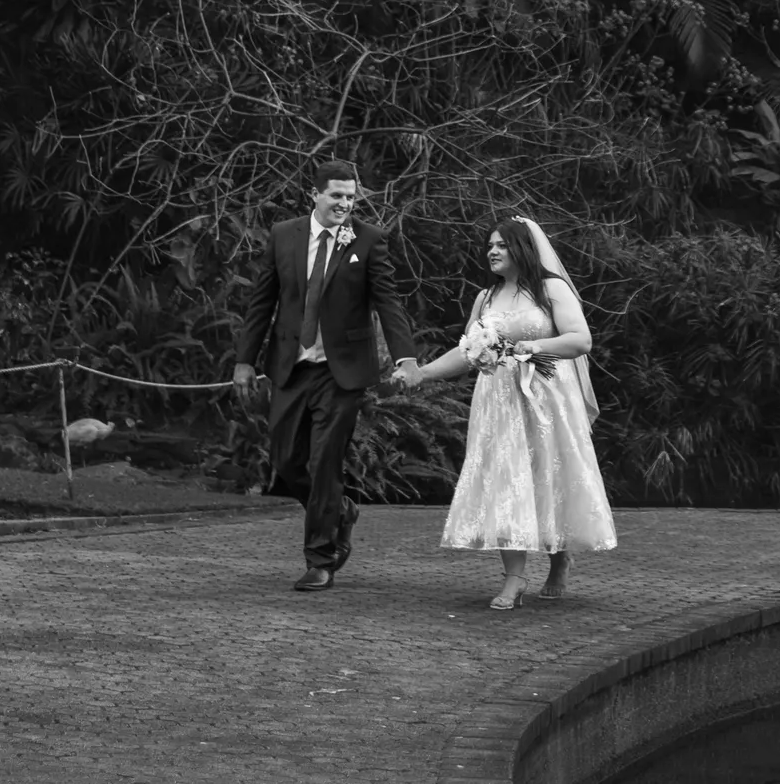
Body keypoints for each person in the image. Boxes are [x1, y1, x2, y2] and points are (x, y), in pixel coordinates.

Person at [396, 216, 616, 610]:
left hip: (546, 398)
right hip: (498, 402)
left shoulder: (550, 289)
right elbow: (467, 351)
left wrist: (534, 347)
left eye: (501, 245)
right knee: (506, 479)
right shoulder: (485, 297)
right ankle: (514, 577)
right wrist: (422, 373)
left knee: (549, 475)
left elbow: (580, 340)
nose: (492, 252)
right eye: (490, 246)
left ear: (522, 249)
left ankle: (559, 557)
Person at [233, 151, 419, 593]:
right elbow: (262, 301)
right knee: (285, 460)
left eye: (351, 197)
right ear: (313, 195)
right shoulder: (284, 235)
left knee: (323, 463)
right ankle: (341, 511)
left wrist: (406, 358)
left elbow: (388, 302)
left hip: (342, 372)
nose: (345, 204)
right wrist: (244, 360)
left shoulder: (369, 240)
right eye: (336, 196)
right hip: (291, 366)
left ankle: (321, 559)